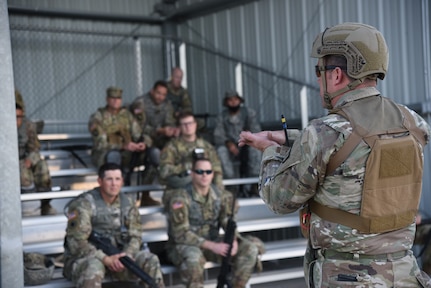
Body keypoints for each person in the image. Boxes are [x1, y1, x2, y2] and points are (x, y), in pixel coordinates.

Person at [239, 22, 431, 287]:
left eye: (319, 71)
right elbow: (362, 142)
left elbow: (279, 200)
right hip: (404, 273)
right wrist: (292, 139)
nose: (319, 79)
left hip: (348, 277)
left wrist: (269, 150)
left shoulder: (322, 133)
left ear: (337, 74)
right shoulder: (414, 123)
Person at [162, 157, 264, 288]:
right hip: (185, 246)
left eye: (208, 171)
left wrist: (233, 240)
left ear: (212, 174)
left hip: (212, 242)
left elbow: (227, 221)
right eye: (200, 171)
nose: (204, 175)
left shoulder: (220, 195)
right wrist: (213, 246)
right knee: (193, 259)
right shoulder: (180, 197)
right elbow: (181, 234)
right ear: (192, 174)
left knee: (249, 249)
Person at [63, 162, 165, 288]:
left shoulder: (127, 203)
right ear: (100, 181)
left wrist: (127, 254)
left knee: (150, 260)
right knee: (93, 267)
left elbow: (135, 236)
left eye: (117, 179)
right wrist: (105, 258)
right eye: (109, 179)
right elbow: (76, 242)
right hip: (86, 259)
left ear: (122, 181)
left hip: (119, 257)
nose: (114, 184)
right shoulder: (84, 204)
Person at [88, 86, 160, 206]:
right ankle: (115, 198)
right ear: (107, 99)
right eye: (113, 98)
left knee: (152, 154)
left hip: (128, 153)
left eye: (118, 98)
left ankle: (145, 195)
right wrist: (122, 146)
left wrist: (143, 143)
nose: (116, 101)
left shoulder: (126, 115)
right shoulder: (98, 117)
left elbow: (139, 133)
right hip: (106, 154)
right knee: (114, 156)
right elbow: (101, 143)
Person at [16, 90, 57, 216]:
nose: (17, 120)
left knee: (42, 167)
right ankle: (29, 208)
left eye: (19, 117)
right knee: (23, 172)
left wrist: (30, 159)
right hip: (9, 164)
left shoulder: (28, 126)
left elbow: (34, 148)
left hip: (25, 159)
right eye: (14, 116)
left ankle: (45, 204)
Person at [213, 90, 262, 196]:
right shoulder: (222, 116)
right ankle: (231, 186)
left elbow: (256, 131)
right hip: (230, 148)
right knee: (221, 151)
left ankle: (255, 184)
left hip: (247, 145)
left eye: (235, 99)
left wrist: (246, 140)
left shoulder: (249, 113)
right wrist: (228, 143)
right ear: (226, 103)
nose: (233, 102)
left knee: (256, 149)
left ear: (239, 100)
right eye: (230, 100)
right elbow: (218, 135)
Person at [159, 111, 223, 189]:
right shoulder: (172, 147)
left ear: (195, 125)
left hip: (204, 189)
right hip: (179, 188)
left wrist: (219, 190)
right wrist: (185, 167)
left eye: (190, 123)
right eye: (184, 124)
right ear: (179, 127)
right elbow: (164, 170)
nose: (188, 127)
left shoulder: (206, 146)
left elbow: (216, 169)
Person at [130, 80, 179, 151]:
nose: (160, 97)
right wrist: (158, 131)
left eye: (164, 95)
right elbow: (139, 127)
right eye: (158, 93)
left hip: (161, 136)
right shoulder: (140, 103)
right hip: (145, 137)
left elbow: (170, 122)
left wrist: (172, 130)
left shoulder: (167, 105)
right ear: (152, 91)